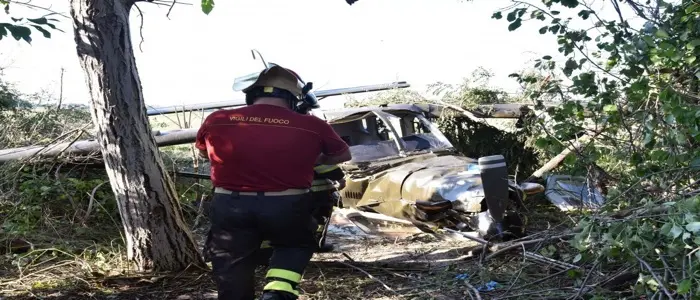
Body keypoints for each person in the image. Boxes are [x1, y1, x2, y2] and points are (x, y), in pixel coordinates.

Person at [196, 63, 351, 300]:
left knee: (231, 263)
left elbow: (204, 153)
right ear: (292, 99)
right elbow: (342, 154)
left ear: (250, 94)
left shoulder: (218, 119)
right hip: (287, 204)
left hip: (229, 205)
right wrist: (309, 156)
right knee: (295, 245)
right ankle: (278, 292)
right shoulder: (312, 125)